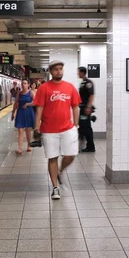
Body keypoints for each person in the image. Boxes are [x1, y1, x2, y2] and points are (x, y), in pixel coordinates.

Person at [33, 60, 80, 200]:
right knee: (52, 157)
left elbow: (75, 107)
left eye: (61, 69)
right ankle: (55, 187)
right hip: (48, 129)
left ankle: (60, 171)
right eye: (56, 69)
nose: (59, 71)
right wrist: (36, 127)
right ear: (51, 72)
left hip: (67, 128)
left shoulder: (70, 87)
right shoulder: (44, 88)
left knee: (70, 155)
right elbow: (39, 109)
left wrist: (76, 125)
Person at [11, 79, 35, 155]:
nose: (23, 85)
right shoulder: (19, 93)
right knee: (20, 130)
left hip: (29, 112)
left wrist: (28, 104)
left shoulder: (31, 93)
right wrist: (13, 113)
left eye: (25, 83)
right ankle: (20, 148)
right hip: (20, 112)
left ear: (28, 85)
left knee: (28, 130)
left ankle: (29, 145)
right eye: (22, 83)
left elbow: (36, 102)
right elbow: (16, 103)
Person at [77, 66, 95, 153]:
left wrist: (88, 107)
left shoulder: (88, 83)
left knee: (87, 127)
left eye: (79, 72)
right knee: (83, 125)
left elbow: (91, 95)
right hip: (82, 107)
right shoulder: (83, 83)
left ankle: (90, 146)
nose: (77, 73)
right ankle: (87, 144)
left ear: (82, 73)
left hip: (86, 108)